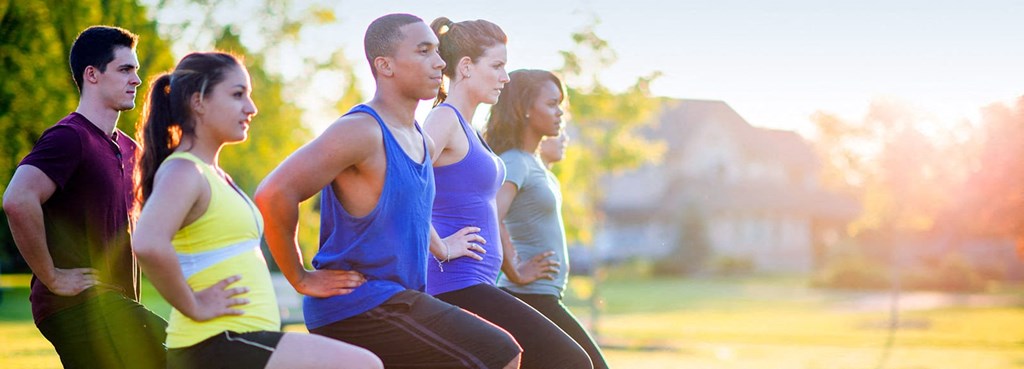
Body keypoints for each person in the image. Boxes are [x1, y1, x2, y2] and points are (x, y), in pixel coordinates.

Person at [254, 14, 521, 369]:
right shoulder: (362, 130)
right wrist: (300, 277)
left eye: (438, 52)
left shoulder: (417, 137)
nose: (440, 63)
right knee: (499, 351)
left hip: (399, 300)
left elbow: (411, 211)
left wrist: (442, 247)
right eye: (424, 51)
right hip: (360, 304)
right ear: (385, 65)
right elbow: (273, 193)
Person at [131, 51, 382, 369]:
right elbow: (148, 242)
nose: (251, 108)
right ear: (199, 101)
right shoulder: (184, 171)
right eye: (238, 95)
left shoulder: (212, 174)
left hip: (238, 340)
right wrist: (193, 305)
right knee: (363, 365)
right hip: (219, 342)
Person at [424, 17, 592, 369]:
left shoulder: (469, 130)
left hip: (479, 283)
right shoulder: (444, 120)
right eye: (498, 66)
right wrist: (440, 244)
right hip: (456, 284)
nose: (505, 77)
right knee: (571, 361)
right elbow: (402, 180)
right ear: (466, 67)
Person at [2, 25, 167, 369]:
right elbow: (17, 199)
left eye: (136, 70)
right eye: (125, 69)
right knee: (182, 353)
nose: (136, 79)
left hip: (116, 304)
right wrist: (51, 276)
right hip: (77, 306)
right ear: (92, 74)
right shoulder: (70, 137)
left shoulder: (130, 150)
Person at [486, 69, 610, 369]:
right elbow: (490, 213)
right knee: (585, 364)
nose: (559, 114)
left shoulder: (532, 163)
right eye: (552, 104)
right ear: (526, 109)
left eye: (560, 106)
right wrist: (515, 271)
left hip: (543, 294)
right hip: (528, 295)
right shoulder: (515, 161)